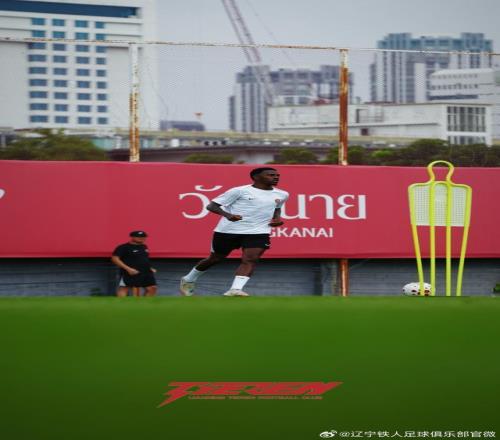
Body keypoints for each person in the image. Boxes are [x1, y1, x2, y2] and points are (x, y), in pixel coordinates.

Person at [180, 167, 289, 297]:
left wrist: (277, 218)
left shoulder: (282, 194)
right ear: (256, 177)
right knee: (215, 258)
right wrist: (228, 215)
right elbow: (211, 206)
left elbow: (277, 208)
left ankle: (235, 289)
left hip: (259, 231)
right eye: (270, 175)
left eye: (277, 175)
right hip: (228, 231)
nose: (276, 177)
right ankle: (189, 279)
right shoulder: (239, 191)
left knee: (251, 259)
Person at [111, 230, 157, 297]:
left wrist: (150, 268)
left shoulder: (144, 246)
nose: (142, 238)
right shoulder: (123, 247)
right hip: (131, 271)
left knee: (152, 288)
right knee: (124, 288)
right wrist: (128, 269)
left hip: (146, 272)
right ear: (132, 237)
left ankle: (145, 303)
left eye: (144, 237)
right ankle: (120, 303)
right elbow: (115, 259)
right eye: (139, 237)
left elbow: (143, 259)